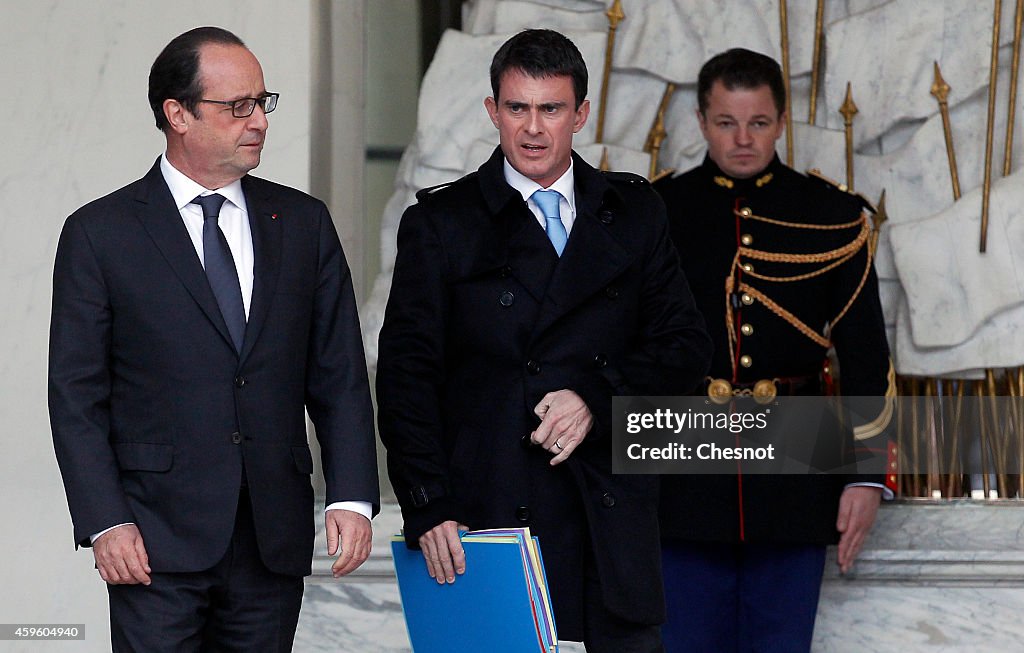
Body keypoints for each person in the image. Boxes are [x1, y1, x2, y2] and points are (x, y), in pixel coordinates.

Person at [376, 28, 711, 653]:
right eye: (517, 108)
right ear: (492, 111)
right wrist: (428, 501)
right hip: (492, 519)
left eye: (551, 109)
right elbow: (406, 376)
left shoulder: (635, 213)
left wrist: (594, 397)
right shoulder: (442, 224)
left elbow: (685, 347)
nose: (533, 129)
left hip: (609, 518)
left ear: (580, 114)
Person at [48, 26, 379, 652]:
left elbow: (339, 374)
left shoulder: (302, 223)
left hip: (270, 537)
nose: (257, 121)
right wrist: (105, 521)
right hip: (152, 541)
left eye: (263, 102)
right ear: (177, 114)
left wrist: (354, 497)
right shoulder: (101, 233)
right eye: (237, 107)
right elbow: (76, 395)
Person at [653, 48, 895, 652]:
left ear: (782, 122)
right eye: (726, 123)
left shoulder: (832, 216)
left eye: (758, 123)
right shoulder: (653, 214)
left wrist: (866, 477)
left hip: (797, 472)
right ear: (702, 122)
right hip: (681, 475)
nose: (742, 139)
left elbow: (865, 356)